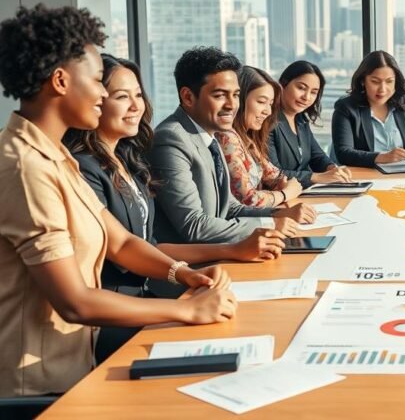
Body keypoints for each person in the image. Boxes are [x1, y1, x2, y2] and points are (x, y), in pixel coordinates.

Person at [0, 5, 236, 397]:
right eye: (97, 81)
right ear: (60, 81)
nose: (102, 94)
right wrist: (186, 309)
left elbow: (122, 242)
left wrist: (185, 274)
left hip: (76, 366)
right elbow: (74, 302)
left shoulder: (56, 157)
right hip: (37, 390)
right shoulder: (25, 168)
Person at [64, 54, 285, 359]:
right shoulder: (85, 168)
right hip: (114, 312)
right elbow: (126, 251)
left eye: (138, 95)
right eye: (120, 96)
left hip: (145, 293)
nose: (135, 106)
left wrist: (190, 272)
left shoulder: (127, 160)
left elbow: (148, 244)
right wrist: (185, 293)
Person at [149, 47, 299, 245]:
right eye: (220, 95)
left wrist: (279, 214)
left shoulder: (210, 133)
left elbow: (231, 208)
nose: (232, 105)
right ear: (187, 97)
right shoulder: (171, 139)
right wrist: (270, 224)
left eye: (236, 95)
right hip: (194, 266)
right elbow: (194, 226)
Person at [215, 66, 315, 223]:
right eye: (261, 102)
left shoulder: (247, 139)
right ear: (239, 100)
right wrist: (284, 194)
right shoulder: (227, 138)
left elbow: (276, 176)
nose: (268, 111)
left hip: (259, 222)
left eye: (271, 103)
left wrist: (282, 186)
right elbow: (248, 200)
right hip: (242, 229)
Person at [332, 50, 405, 168]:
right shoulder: (346, 107)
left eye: (389, 82)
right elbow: (344, 153)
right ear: (363, 81)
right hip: (364, 175)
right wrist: (382, 157)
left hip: (399, 176)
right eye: (375, 82)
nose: (382, 89)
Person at [269, 60, 352, 187]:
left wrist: (333, 169)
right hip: (284, 195)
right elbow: (274, 174)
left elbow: (317, 156)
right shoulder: (268, 122)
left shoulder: (301, 120)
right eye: (301, 88)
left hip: (305, 191)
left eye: (313, 92)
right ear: (283, 84)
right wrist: (316, 177)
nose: (307, 97)